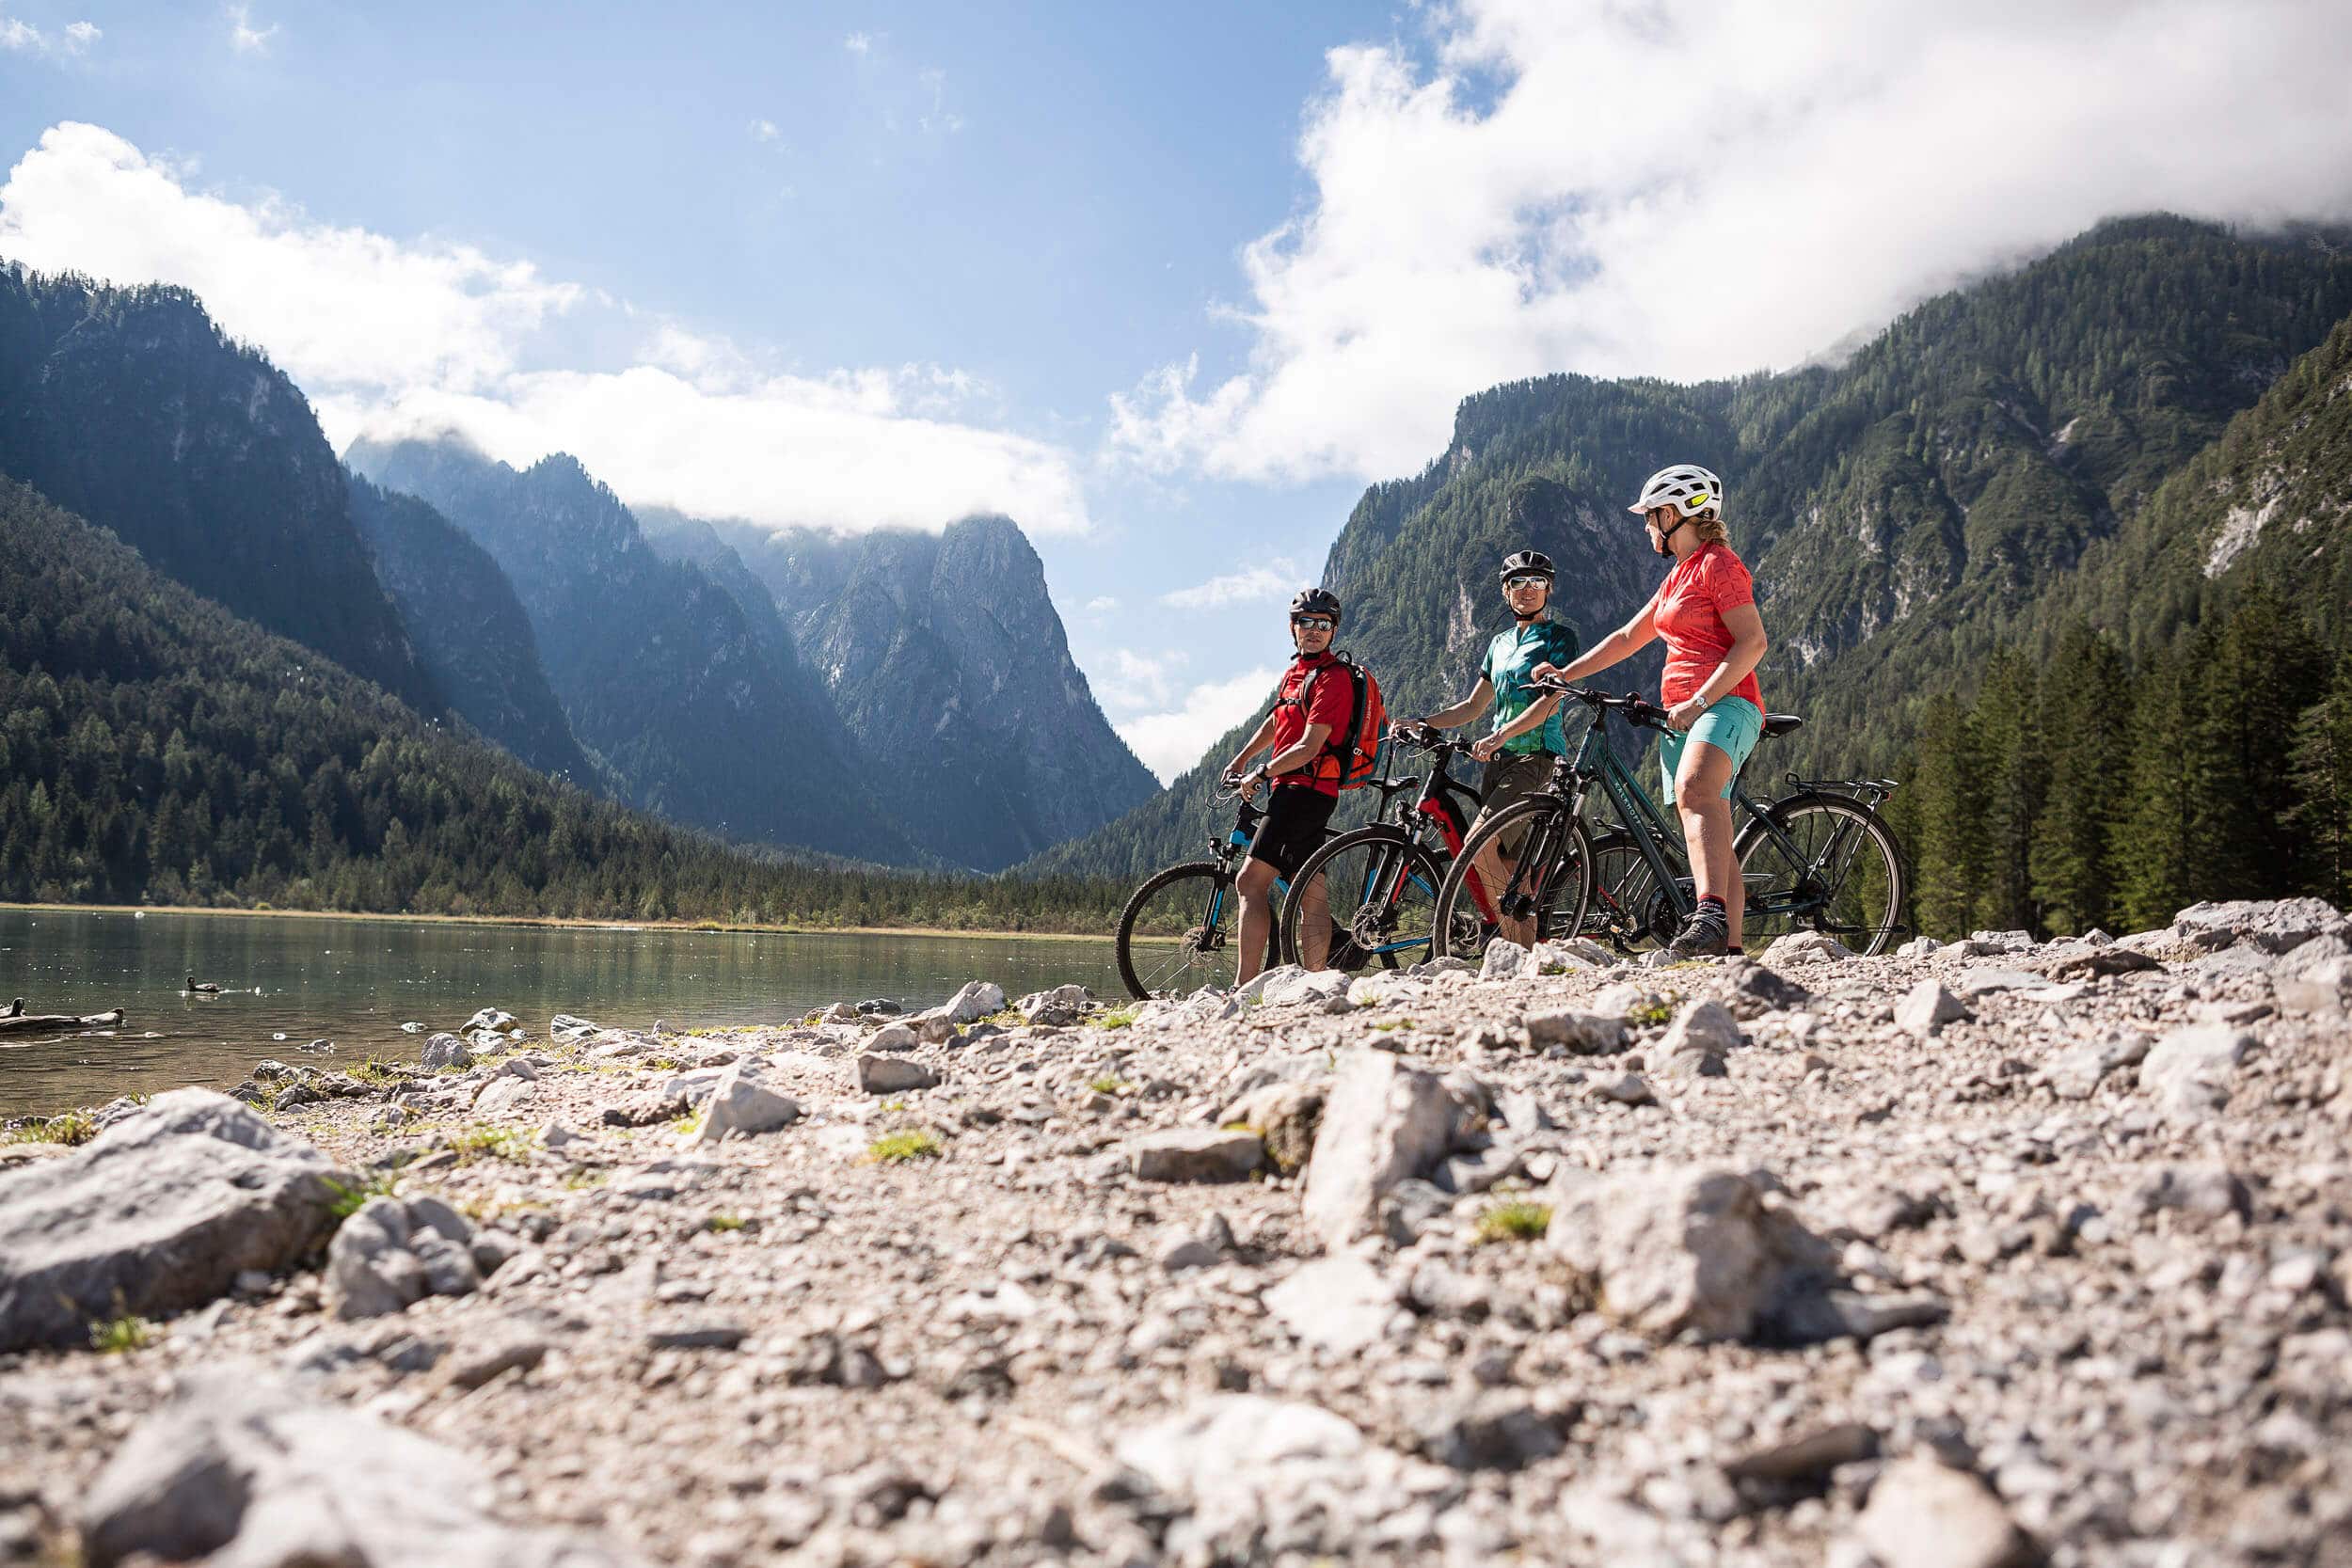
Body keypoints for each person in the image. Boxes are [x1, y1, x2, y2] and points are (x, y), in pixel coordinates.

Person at [1534, 464, 1767, 958]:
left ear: (1673, 514)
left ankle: (1708, 916)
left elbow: (1752, 642)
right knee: (1708, 818)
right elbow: (1626, 638)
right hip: (1679, 714)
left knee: (1695, 790)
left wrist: (1699, 701)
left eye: (1649, 517)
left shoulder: (1719, 565)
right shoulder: (1677, 576)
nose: (1645, 527)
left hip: (1725, 704)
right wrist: (1566, 673)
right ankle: (1729, 951)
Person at [1408, 550, 1581, 949]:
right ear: (1506, 591)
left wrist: (1502, 734)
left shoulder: (1559, 638)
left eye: (1536, 582)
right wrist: (1424, 722)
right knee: (1511, 866)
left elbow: (1552, 700)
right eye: (1518, 582)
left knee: (1479, 845)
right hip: (1499, 763)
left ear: (1549, 589)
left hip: (1536, 757)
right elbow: (1473, 706)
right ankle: (1525, 955)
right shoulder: (1499, 644)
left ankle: (1508, 942)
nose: (1527, 590)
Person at [1220, 588, 1351, 985]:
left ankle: (1244, 986)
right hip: (1299, 788)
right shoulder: (1296, 674)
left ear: (1333, 631)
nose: (1314, 630)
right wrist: (1241, 758)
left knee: (1249, 881)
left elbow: (1310, 745)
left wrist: (1260, 773)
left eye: (1323, 624)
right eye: (1305, 622)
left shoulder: (1334, 678)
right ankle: (1317, 981)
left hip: (1304, 790)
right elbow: (1277, 721)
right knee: (1310, 888)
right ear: (1292, 628)